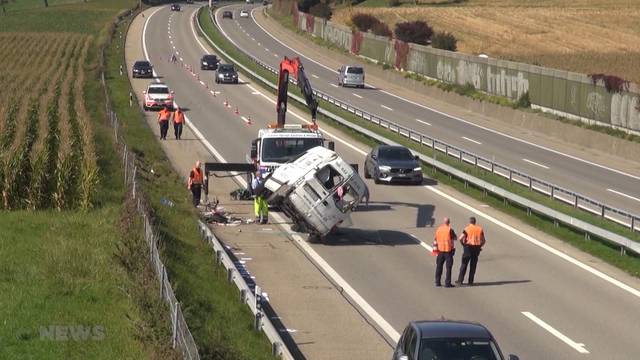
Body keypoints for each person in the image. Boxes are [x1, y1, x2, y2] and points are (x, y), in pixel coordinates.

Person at [456, 217, 486, 286]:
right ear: (475, 222)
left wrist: (463, 244)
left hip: (468, 248)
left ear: (470, 222)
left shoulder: (467, 229)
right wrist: (480, 246)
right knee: (473, 265)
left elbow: (460, 238)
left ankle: (460, 280)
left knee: (464, 264)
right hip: (476, 249)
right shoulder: (480, 229)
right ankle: (470, 281)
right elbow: (484, 241)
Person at [433, 217, 457, 288]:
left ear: (443, 222)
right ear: (449, 222)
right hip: (448, 251)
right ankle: (447, 283)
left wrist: (435, 249)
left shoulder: (439, 229)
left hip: (440, 251)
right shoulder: (450, 230)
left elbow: (435, 238)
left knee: (439, 266)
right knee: (448, 268)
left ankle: (437, 282)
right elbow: (455, 238)